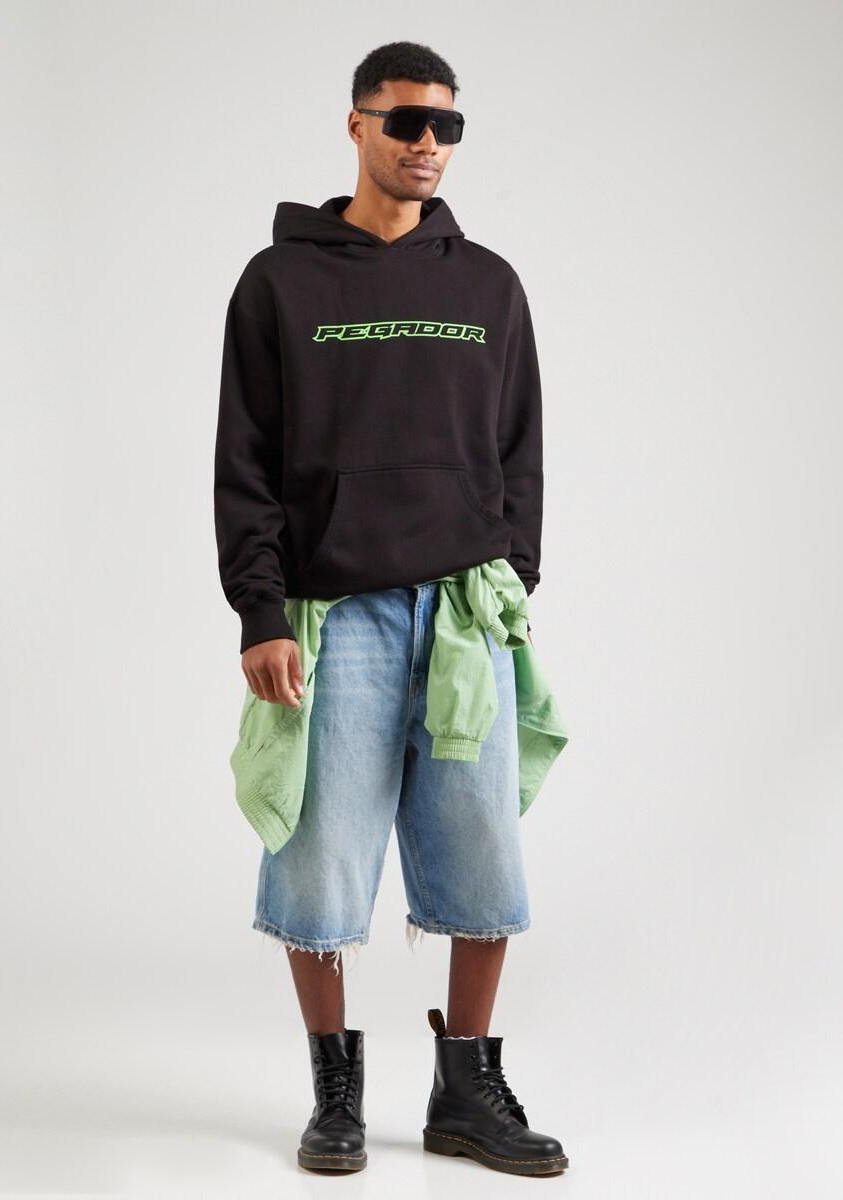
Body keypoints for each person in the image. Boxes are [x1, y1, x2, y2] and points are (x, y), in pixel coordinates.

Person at [214, 40, 568, 1178]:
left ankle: (467, 1090)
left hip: (464, 614)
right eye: (407, 121)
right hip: (335, 615)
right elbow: (245, 461)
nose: (427, 143)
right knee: (318, 856)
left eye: (446, 126)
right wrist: (261, 611)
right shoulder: (280, 285)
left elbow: (520, 446)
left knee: (483, 854)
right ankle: (335, 1094)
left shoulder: (487, 285)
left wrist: (511, 576)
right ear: (357, 125)